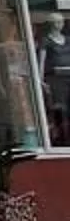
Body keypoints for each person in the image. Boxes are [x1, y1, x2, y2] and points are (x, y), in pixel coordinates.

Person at [44, 13, 70, 148]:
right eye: (55, 22)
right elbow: (40, 61)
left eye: (60, 22)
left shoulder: (68, 39)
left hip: (68, 74)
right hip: (56, 78)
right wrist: (40, 79)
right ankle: (63, 138)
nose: (58, 25)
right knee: (60, 107)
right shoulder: (46, 41)